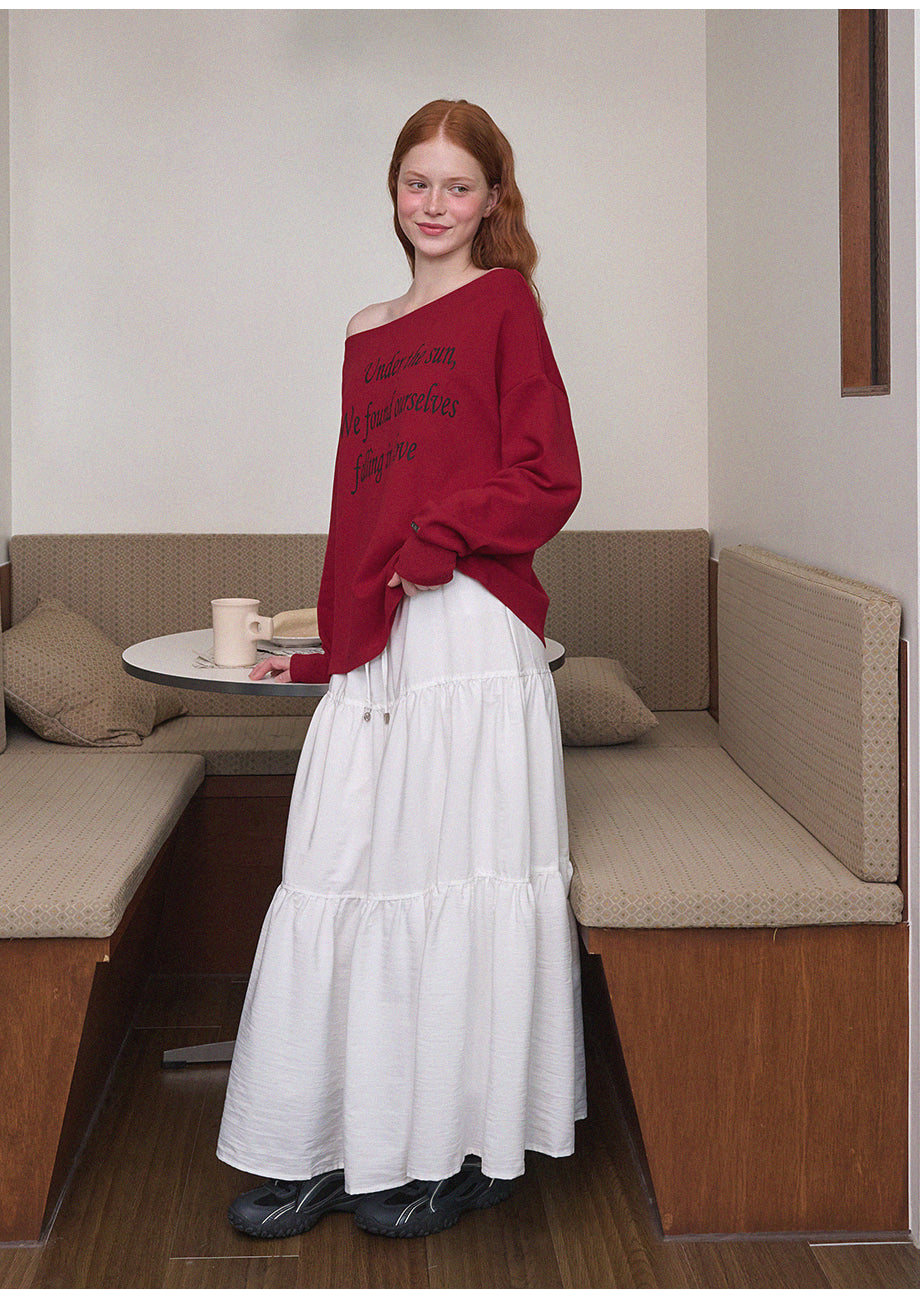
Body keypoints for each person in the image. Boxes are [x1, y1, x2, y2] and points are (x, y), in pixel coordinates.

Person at [217, 98, 586, 1241]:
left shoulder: (504, 304)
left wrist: (439, 540)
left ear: (490, 200)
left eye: (457, 185)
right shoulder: (365, 326)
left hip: (467, 625)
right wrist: (338, 627)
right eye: (416, 182)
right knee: (344, 875)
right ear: (392, 190)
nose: (434, 203)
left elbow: (548, 474)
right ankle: (331, 1144)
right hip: (379, 636)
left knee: (448, 879)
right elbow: (357, 498)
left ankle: (460, 1150)